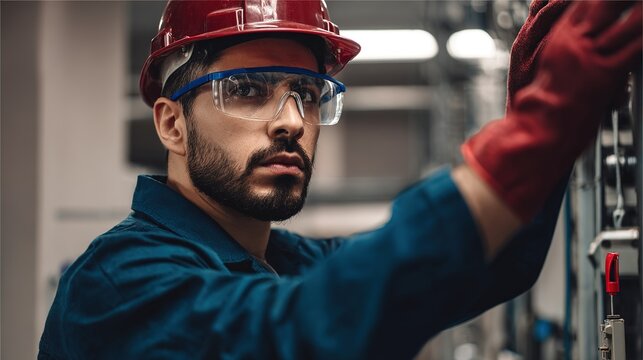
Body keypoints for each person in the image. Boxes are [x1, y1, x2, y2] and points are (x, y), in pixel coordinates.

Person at [39, 0, 641, 358]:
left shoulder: (285, 262)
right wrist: (536, 132)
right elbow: (296, 335)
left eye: (306, 93)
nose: (292, 123)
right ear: (172, 124)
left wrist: (543, 122)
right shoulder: (117, 284)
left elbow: (492, 263)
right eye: (248, 91)